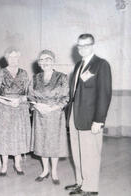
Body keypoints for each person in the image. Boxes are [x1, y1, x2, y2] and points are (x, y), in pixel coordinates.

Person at [65, 34, 112, 196]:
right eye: (79, 45)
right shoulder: (79, 65)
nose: (82, 48)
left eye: (86, 45)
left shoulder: (101, 65)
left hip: (91, 118)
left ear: (93, 45)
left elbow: (104, 94)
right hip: (75, 115)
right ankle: (81, 182)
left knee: (90, 153)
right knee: (77, 152)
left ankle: (90, 188)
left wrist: (99, 120)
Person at [28, 49, 69, 185]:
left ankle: (54, 171)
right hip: (39, 115)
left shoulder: (62, 77)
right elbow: (31, 96)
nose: (45, 62)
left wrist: (52, 108)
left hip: (55, 115)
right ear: (39, 63)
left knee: (54, 143)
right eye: (42, 60)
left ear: (53, 61)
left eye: (48, 59)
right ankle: (45, 170)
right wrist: (37, 106)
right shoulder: (35, 78)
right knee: (42, 143)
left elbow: (65, 97)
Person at [0, 47, 31, 176]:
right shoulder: (0, 73)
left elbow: (28, 94)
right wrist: (7, 102)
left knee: (18, 136)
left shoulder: (24, 73)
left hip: (20, 110)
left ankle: (17, 164)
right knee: (5, 138)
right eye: (11, 57)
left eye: (16, 57)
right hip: (4, 110)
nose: (14, 60)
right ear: (6, 59)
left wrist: (19, 100)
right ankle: (4, 166)